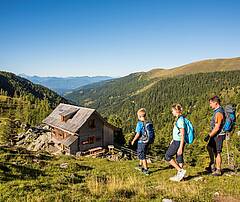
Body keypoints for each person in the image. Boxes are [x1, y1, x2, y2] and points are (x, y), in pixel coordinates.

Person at [204, 96, 225, 176]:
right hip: (215, 135)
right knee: (209, 147)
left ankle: (218, 170)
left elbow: (217, 127)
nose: (210, 105)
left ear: (216, 103)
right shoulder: (217, 111)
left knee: (217, 152)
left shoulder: (219, 113)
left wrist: (209, 135)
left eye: (211, 103)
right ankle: (212, 164)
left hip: (218, 135)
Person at [165, 104, 186, 182]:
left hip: (178, 142)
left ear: (177, 111)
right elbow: (178, 132)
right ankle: (181, 177)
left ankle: (180, 171)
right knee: (179, 157)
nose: (172, 112)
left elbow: (182, 134)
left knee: (167, 156)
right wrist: (173, 139)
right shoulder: (180, 119)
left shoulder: (180, 120)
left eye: (173, 111)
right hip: (177, 140)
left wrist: (180, 146)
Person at [131, 108, 149, 176]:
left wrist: (133, 140)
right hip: (147, 141)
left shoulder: (139, 124)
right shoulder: (147, 122)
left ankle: (146, 170)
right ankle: (139, 165)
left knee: (142, 156)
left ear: (140, 116)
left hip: (141, 141)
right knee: (142, 153)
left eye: (138, 116)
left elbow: (138, 134)